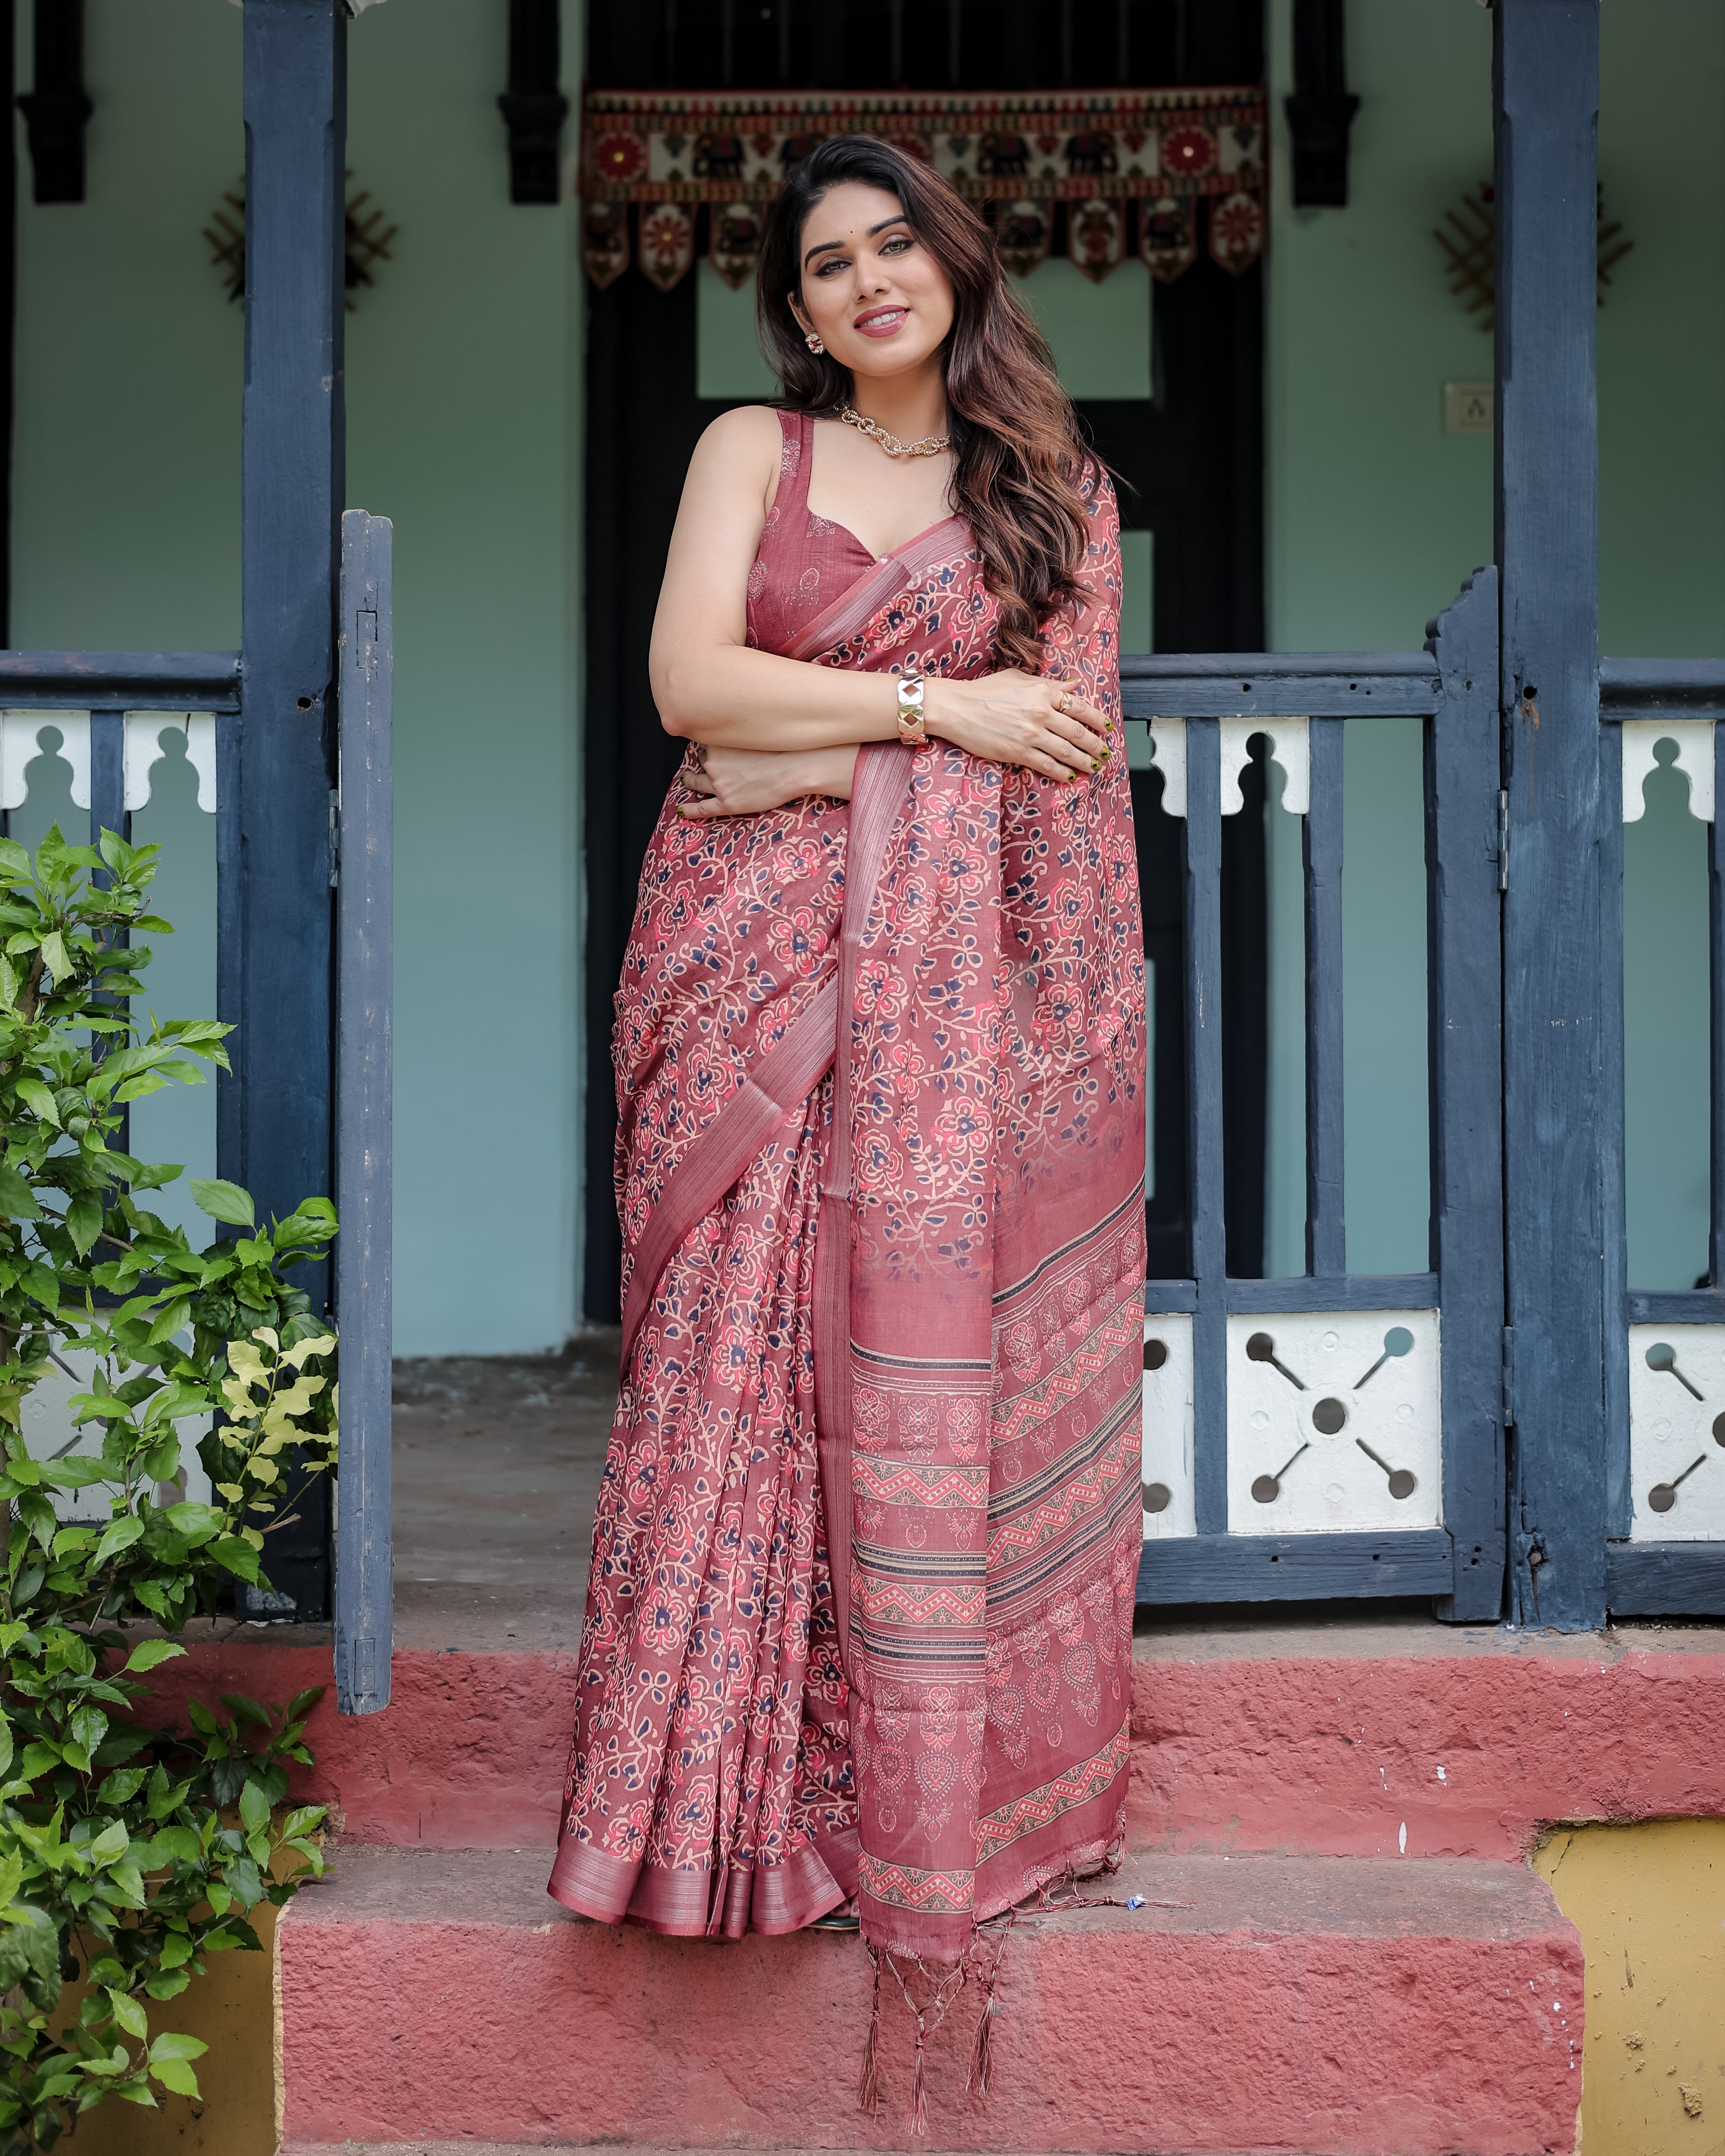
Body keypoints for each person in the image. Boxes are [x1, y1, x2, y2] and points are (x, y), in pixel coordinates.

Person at [549, 134, 1147, 1973]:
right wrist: (936, 709)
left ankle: (870, 1805)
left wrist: (828, 759)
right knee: (724, 1367)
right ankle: (692, 1813)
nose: (868, 280)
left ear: (958, 265)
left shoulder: (1055, 495)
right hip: (734, 969)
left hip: (943, 1003)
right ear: (793, 306)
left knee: (895, 1383)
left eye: (899, 245)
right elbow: (686, 689)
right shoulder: (758, 450)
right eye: (828, 263)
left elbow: (1065, 762)